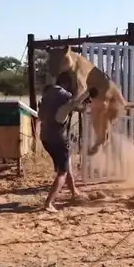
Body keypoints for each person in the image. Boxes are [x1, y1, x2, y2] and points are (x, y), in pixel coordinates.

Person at [37, 72, 91, 212]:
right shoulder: (64, 95)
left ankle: (74, 192)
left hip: (45, 138)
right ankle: (49, 203)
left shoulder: (47, 95)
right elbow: (75, 104)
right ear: (67, 83)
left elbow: (41, 115)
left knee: (66, 163)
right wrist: (88, 93)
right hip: (58, 139)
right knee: (62, 172)